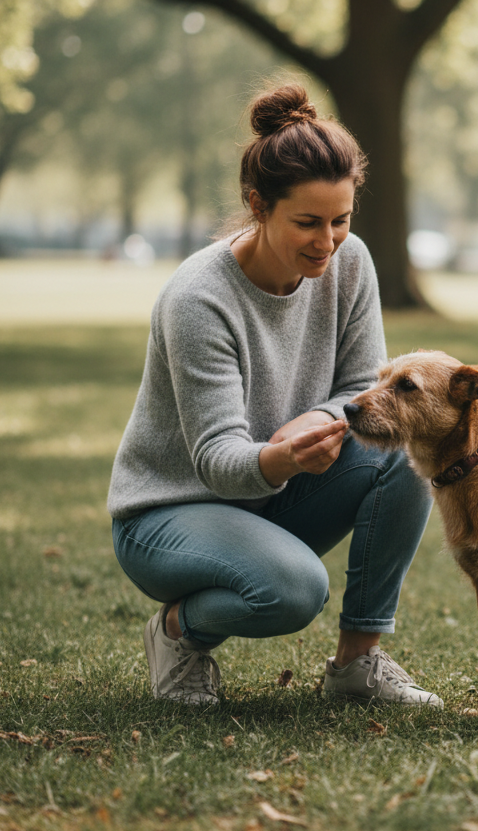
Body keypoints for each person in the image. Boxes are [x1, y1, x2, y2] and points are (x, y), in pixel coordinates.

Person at [107, 83, 440, 708]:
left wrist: (316, 419)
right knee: (293, 591)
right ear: (258, 206)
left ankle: (356, 664)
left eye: (341, 220)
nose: (328, 242)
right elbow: (217, 460)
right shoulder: (199, 300)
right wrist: (282, 458)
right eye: (307, 223)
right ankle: (177, 632)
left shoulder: (351, 262)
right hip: (169, 514)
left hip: (273, 496)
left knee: (404, 445)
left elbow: (360, 387)